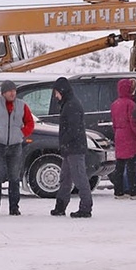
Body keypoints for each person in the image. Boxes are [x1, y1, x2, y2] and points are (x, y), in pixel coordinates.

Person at [0, 80, 36, 215]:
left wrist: (21, 133)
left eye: (14, 91)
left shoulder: (22, 105)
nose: (12, 93)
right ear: (3, 93)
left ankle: (14, 208)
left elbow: (30, 123)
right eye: (9, 91)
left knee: (14, 177)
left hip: (15, 145)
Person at [50, 77, 92, 218]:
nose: (55, 96)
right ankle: (60, 207)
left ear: (62, 91)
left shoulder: (71, 105)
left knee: (79, 178)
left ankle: (86, 207)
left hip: (74, 148)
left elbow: (73, 129)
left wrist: (65, 143)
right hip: (70, 148)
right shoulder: (68, 104)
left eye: (56, 92)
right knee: (65, 178)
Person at [109, 78, 136, 199]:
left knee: (119, 165)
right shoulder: (131, 104)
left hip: (119, 135)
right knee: (132, 165)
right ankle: (134, 191)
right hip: (129, 135)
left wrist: (117, 133)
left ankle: (118, 191)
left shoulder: (115, 104)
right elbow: (133, 123)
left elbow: (114, 123)